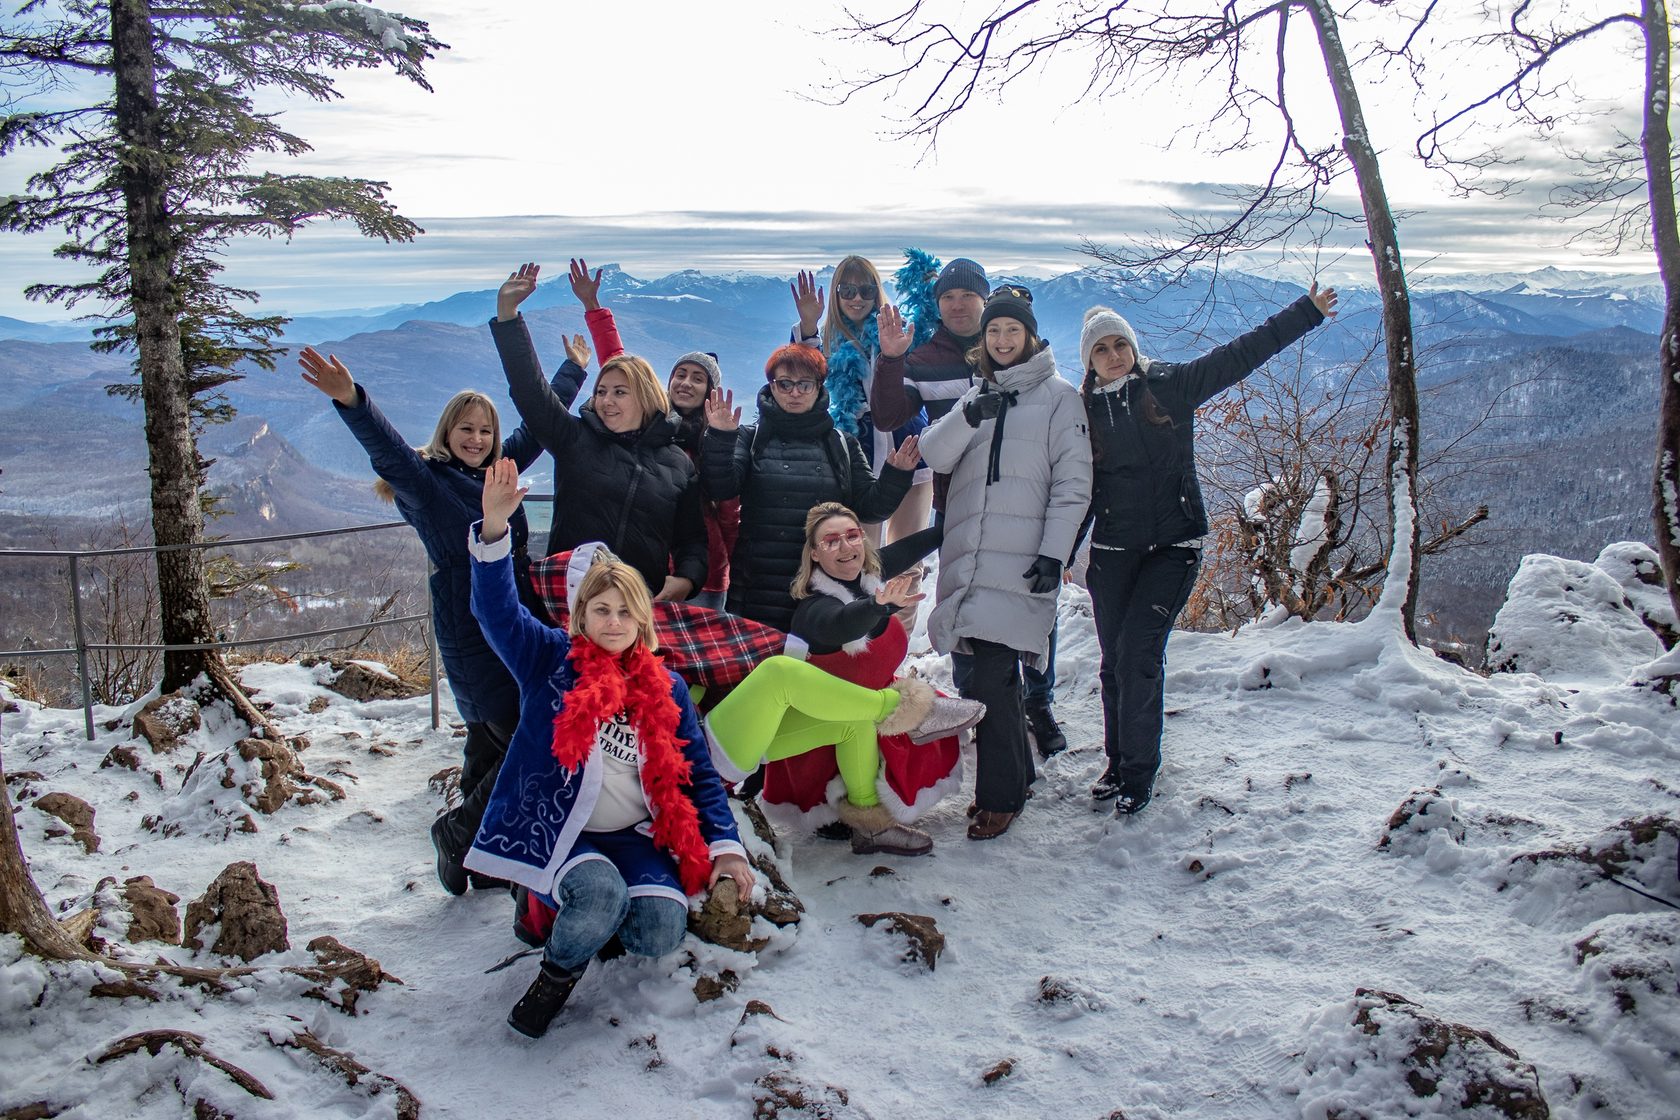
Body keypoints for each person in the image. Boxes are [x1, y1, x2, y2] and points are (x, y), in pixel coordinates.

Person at [465, 461, 981, 1038]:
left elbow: (700, 774)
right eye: (600, 611)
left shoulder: (664, 677)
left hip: (674, 790)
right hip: (580, 824)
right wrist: (492, 531)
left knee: (840, 723)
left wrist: (725, 847)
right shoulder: (551, 660)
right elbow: (497, 614)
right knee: (785, 675)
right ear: (579, 615)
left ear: (645, 621)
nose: (613, 622)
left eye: (626, 613)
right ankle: (909, 709)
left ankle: (869, 817)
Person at [296, 342, 585, 896]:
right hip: (473, 630)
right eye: (465, 429)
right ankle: (457, 833)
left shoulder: (493, 474)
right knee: (527, 735)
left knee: (487, 740)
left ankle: (478, 857)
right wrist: (352, 400)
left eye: (484, 430)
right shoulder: (427, 482)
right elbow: (387, 453)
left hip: (514, 620)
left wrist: (573, 370)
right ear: (446, 432)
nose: (476, 439)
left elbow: (533, 433)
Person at [1078, 284, 1339, 816]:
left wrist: (1305, 313)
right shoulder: (1080, 412)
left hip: (1172, 547)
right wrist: (1058, 553)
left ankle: (1138, 774)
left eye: (1119, 345)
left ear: (1132, 347)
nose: (1112, 357)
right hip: (1111, 552)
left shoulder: (1168, 386)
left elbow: (1239, 355)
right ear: (1088, 360)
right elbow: (1073, 486)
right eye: (1100, 350)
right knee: (1113, 663)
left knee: (1139, 658)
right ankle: (1116, 761)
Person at [918, 285, 1092, 841]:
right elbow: (933, 454)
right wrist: (968, 414)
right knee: (994, 680)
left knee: (993, 680)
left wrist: (1054, 553)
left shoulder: (1060, 397)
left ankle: (1000, 798)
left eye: (1011, 330)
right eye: (993, 331)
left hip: (1021, 562)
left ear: (1030, 336)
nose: (1001, 339)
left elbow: (1073, 483)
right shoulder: (976, 393)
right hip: (969, 557)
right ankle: (1018, 778)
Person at [490, 261, 707, 600]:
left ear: (646, 397)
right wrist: (508, 316)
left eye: (620, 392)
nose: (606, 401)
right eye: (601, 391)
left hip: (637, 609)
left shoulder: (678, 465)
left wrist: (687, 581)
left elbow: (692, 540)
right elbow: (531, 392)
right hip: (567, 603)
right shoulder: (574, 438)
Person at [762, 503, 961, 856]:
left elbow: (919, 543)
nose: (845, 547)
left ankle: (873, 813)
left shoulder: (866, 575)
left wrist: (959, 514)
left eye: (852, 536)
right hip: (825, 735)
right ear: (814, 554)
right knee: (903, 713)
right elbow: (841, 623)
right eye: (831, 541)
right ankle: (858, 819)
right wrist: (879, 608)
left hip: (869, 714)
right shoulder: (814, 606)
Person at [702, 343, 916, 632]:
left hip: (825, 587)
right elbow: (721, 488)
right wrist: (720, 438)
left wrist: (896, 475)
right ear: (771, 387)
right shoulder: (750, 438)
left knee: (817, 670)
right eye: (785, 384)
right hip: (758, 584)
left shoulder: (842, 443)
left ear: (819, 387)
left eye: (804, 384)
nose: (794, 392)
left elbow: (870, 507)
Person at [791, 257, 932, 544]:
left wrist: (930, 288)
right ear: (836, 294)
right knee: (860, 552)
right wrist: (808, 324)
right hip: (858, 457)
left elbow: (931, 346)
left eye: (866, 291)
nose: (857, 299)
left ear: (876, 292)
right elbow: (803, 370)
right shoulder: (828, 339)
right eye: (847, 291)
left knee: (908, 553)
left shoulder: (896, 328)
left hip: (910, 450)